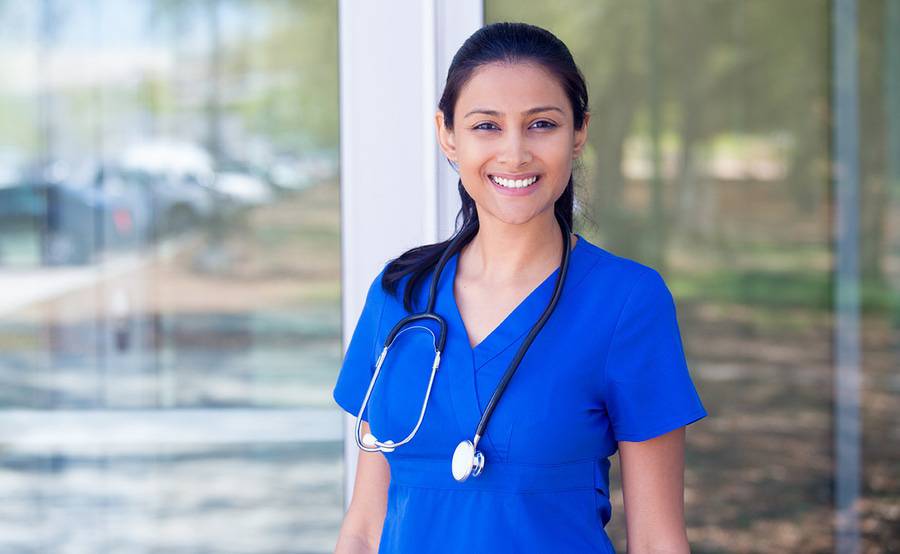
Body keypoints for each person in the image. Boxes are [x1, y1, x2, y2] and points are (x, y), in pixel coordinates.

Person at [332, 21, 707, 554]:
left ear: (578, 134)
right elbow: (364, 528)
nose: (514, 153)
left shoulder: (626, 303)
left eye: (542, 124)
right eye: (486, 126)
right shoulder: (401, 295)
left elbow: (656, 540)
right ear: (447, 135)